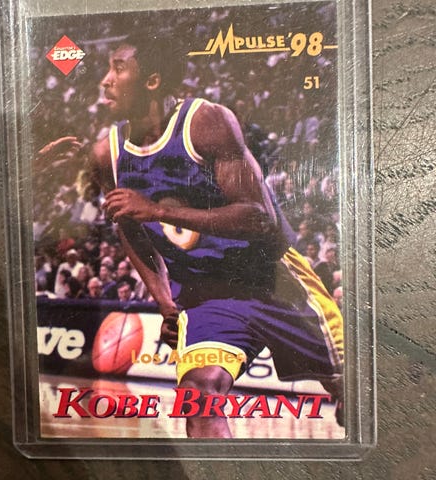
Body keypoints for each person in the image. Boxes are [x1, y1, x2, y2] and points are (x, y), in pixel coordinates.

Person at [45, 36, 344, 438]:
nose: (105, 80)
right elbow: (130, 229)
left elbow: (258, 217)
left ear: (152, 81)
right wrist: (165, 303)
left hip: (274, 281)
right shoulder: (107, 154)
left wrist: (157, 211)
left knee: (355, 395)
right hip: (205, 295)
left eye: (118, 68)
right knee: (199, 396)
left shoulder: (206, 122)